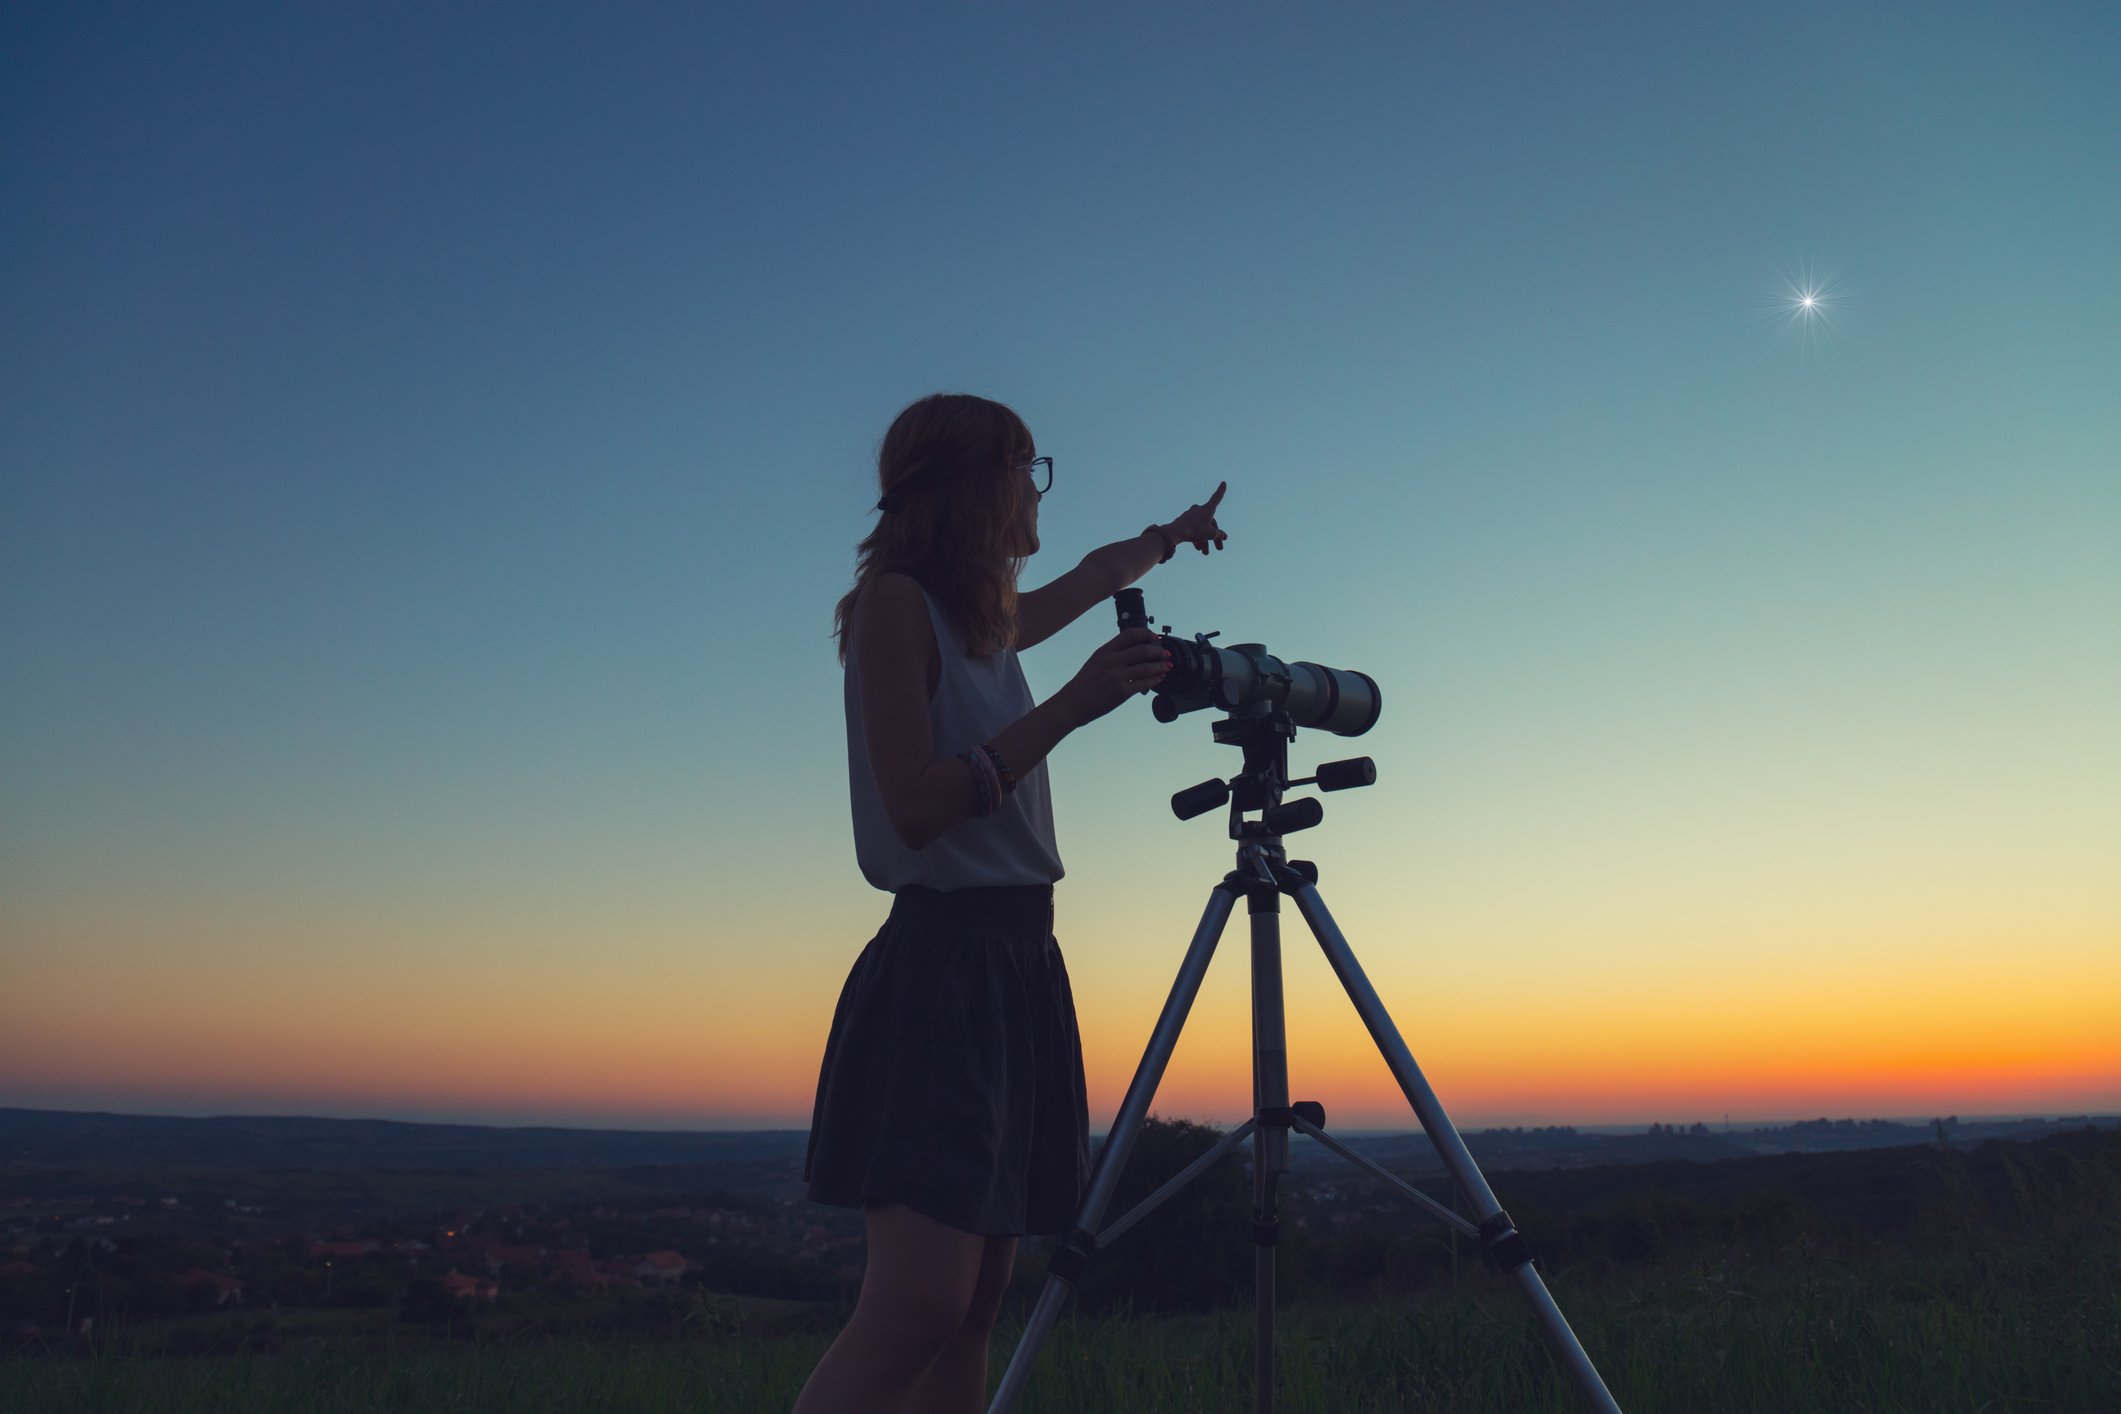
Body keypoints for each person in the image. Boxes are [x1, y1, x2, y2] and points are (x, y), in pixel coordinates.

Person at [791, 393, 1228, 1414]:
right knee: (919, 1304)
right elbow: (913, 806)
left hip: (1018, 961)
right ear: (969, 487)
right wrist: (1075, 704)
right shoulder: (898, 604)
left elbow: (1092, 575)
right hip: (944, 966)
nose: (1038, 493)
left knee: (976, 1302)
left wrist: (1170, 537)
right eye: (1026, 469)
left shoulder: (981, 617)